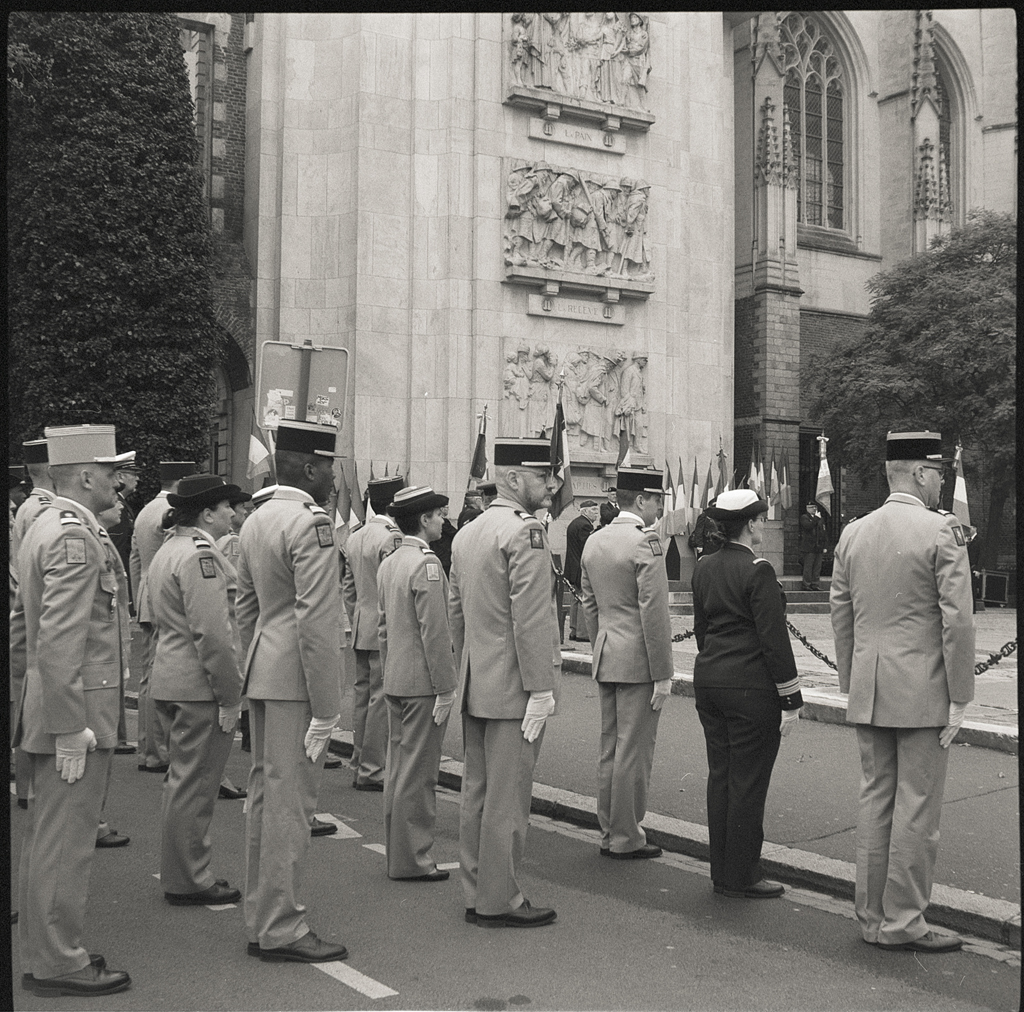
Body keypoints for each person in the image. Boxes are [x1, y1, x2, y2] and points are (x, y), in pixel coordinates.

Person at [830, 430, 975, 953]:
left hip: (870, 689)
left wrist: (852, 683)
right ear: (918, 472)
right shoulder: (942, 533)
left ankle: (871, 918)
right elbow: (957, 622)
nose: (940, 482)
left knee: (876, 803)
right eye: (937, 473)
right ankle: (904, 923)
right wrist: (961, 695)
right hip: (922, 693)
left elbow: (841, 615)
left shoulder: (854, 533)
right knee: (917, 811)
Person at [12, 424, 134, 998]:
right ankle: (59, 962)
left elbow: (24, 635)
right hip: (75, 717)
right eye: (112, 471)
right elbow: (60, 641)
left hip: (57, 708)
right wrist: (67, 728)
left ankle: (48, 950)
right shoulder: (73, 536)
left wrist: (37, 704)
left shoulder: (46, 527)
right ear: (85, 476)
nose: (119, 481)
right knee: (65, 847)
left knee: (47, 842)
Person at [236, 420, 348, 963]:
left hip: (264, 672)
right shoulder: (311, 524)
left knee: (266, 800)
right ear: (310, 468)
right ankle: (282, 926)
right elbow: (319, 623)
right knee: (289, 807)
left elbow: (246, 611)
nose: (334, 475)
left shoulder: (259, 519)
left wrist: (248, 674)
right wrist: (327, 708)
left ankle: (263, 917)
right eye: (329, 465)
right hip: (296, 682)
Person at [449, 437, 562, 928]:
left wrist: (463, 672)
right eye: (541, 477)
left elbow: (456, 613)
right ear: (514, 479)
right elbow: (531, 620)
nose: (550, 486)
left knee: (477, 793)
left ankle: (477, 892)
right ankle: (502, 900)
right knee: (508, 798)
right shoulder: (526, 534)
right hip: (514, 687)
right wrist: (541, 688)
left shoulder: (468, 532)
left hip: (477, 681)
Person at [691, 489, 803, 900]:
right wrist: (790, 698)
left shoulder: (703, 566)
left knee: (721, 776)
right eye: (762, 519)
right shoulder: (758, 570)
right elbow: (774, 641)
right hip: (750, 689)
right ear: (752, 524)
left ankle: (722, 870)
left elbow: (703, 630)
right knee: (748, 782)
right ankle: (742, 875)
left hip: (711, 681)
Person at [147, 475, 251, 906]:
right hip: (199, 686)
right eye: (228, 506)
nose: (234, 513)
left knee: (182, 782)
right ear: (207, 513)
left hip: (172, 676)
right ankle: (190, 878)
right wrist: (231, 696)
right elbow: (214, 635)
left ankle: (181, 871)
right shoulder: (200, 557)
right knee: (196, 785)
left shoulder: (170, 549)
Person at [580, 467, 673, 859]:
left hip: (607, 652)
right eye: (657, 501)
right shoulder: (645, 544)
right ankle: (625, 836)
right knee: (633, 750)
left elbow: (588, 603)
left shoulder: (594, 541)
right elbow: (654, 615)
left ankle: (610, 828)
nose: (660, 508)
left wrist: (602, 639)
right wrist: (664, 673)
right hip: (637, 660)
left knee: (610, 747)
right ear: (641, 501)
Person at [376, 486, 458, 882]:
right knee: (419, 775)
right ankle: (414, 859)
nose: (444, 520)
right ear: (424, 520)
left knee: (398, 770)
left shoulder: (391, 561)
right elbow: (435, 634)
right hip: (423, 683)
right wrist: (446, 687)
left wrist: (391, 668)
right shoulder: (426, 565)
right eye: (439, 515)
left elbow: (383, 629)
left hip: (396, 677)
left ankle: (399, 853)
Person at [130, 461, 197, 773]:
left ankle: (147, 747)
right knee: (158, 677)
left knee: (148, 676)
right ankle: (157, 751)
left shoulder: (144, 510)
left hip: (147, 595)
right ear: (182, 481)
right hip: (165, 597)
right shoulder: (167, 513)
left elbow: (134, 559)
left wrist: (138, 597)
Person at [342, 475, 405, 791]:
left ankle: (358, 762)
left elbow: (348, 588)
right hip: (383, 628)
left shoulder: (356, 536)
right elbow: (393, 586)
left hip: (361, 626)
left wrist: (357, 617)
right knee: (380, 700)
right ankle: (372, 769)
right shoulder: (392, 537)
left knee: (363, 697)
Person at [564, 499, 599, 641]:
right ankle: (582, 633)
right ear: (584, 511)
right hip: (580, 568)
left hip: (572, 567)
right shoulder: (585, 525)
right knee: (584, 600)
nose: (596, 514)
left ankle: (573, 630)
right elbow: (587, 548)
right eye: (593, 510)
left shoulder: (575, 523)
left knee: (575, 599)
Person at [798, 502, 829, 591]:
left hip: (818, 546)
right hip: (809, 546)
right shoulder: (805, 517)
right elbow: (808, 526)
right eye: (811, 507)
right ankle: (806, 584)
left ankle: (815, 584)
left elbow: (823, 532)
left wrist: (825, 545)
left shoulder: (820, 519)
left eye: (815, 507)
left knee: (817, 567)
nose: (814, 509)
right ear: (807, 508)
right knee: (808, 566)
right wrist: (816, 518)